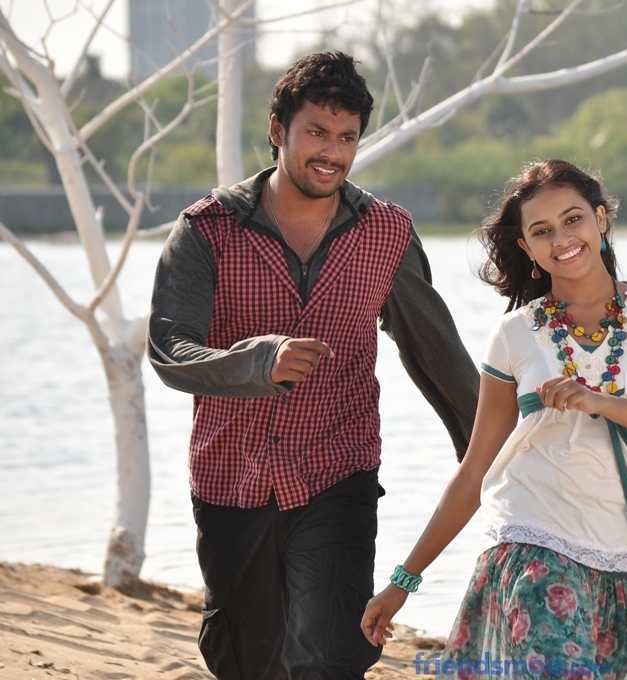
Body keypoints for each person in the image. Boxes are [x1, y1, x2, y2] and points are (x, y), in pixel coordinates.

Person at [147, 51, 478, 680]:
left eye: (347, 137)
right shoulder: (207, 230)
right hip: (230, 478)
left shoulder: (385, 233)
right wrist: (258, 361)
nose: (332, 152)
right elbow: (170, 351)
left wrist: (494, 451)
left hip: (338, 470)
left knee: (330, 652)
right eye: (317, 132)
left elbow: (437, 352)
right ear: (278, 130)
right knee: (245, 658)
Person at [361, 159, 627, 679]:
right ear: (527, 248)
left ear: (601, 219)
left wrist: (596, 400)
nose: (562, 238)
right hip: (533, 535)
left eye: (573, 219)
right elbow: (476, 470)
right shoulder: (516, 332)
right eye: (542, 231)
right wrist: (404, 580)